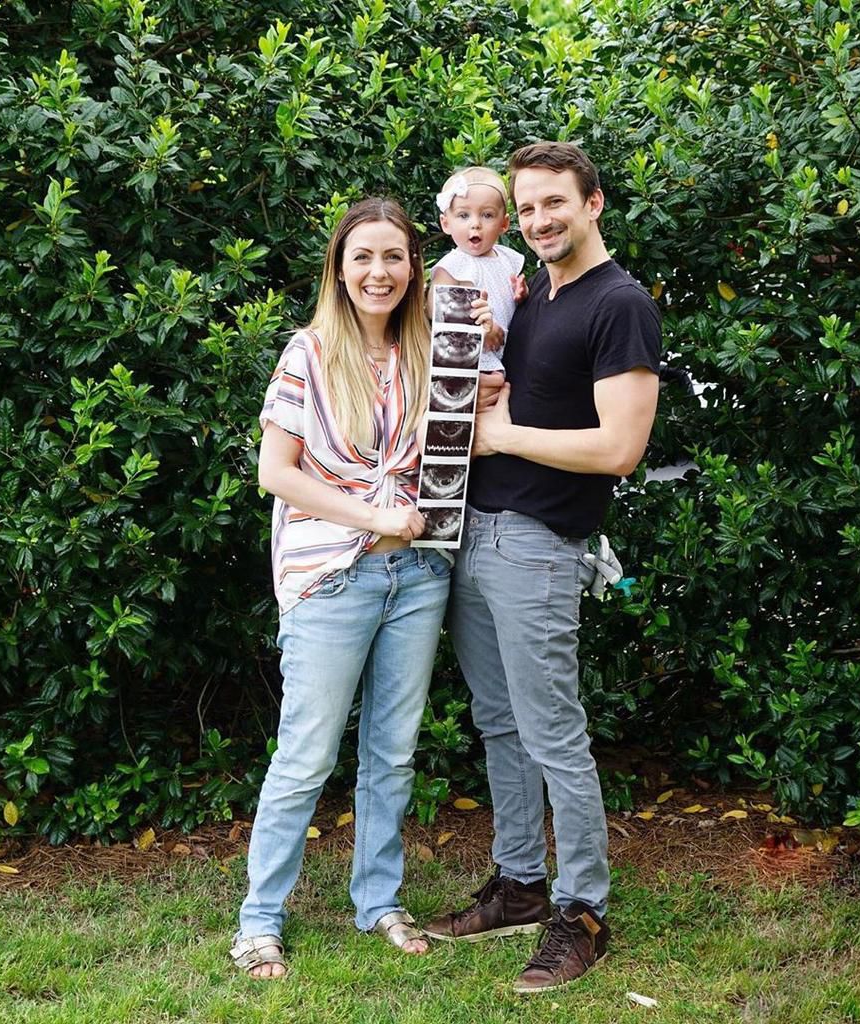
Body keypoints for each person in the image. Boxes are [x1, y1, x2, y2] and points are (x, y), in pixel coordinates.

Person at [231, 198, 491, 978]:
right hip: (332, 577)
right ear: (339, 270)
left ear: (415, 267)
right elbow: (276, 473)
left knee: (392, 753)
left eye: (394, 257)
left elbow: (471, 431)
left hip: (418, 575)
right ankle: (260, 921)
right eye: (363, 257)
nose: (380, 272)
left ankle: (378, 901)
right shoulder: (308, 353)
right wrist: (373, 515)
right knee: (306, 755)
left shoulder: (435, 352)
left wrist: (489, 339)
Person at [423, 143, 662, 994]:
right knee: (500, 722)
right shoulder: (531, 297)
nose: (537, 219)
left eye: (554, 202)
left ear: (593, 203)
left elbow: (620, 448)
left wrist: (503, 434)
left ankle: (583, 911)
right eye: (525, 208)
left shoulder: (619, 304)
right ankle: (521, 883)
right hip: (475, 531)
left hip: (540, 543)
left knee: (552, 731)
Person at [431, 166, 525, 378]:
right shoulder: (453, 266)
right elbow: (437, 312)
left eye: (487, 215)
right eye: (463, 215)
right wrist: (479, 330)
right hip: (473, 358)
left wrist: (521, 294)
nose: (475, 224)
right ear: (446, 223)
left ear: (504, 223)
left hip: (509, 351)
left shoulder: (507, 258)